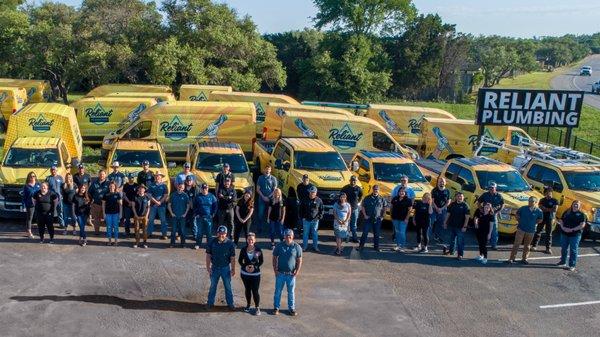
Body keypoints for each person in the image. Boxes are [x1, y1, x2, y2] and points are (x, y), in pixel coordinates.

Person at [272, 229, 302, 316]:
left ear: (292, 237)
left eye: (290, 236)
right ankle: (276, 308)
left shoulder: (297, 247)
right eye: (286, 236)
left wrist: (297, 271)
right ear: (284, 237)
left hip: (291, 275)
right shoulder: (279, 246)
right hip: (280, 274)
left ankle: (291, 308)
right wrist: (275, 270)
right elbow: (274, 257)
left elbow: (299, 260)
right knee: (278, 291)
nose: (288, 238)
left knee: (291, 292)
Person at [206, 225, 236, 310]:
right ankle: (210, 303)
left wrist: (233, 269)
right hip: (214, 268)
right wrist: (208, 267)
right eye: (219, 233)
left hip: (225, 269)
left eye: (223, 234)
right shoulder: (212, 242)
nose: (221, 235)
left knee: (228, 287)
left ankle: (230, 304)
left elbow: (232, 258)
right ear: (217, 233)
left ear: (226, 234)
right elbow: (208, 255)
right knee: (212, 286)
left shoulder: (230, 244)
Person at [507, 196, 543, 264]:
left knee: (527, 245)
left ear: (535, 202)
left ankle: (524, 258)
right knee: (516, 244)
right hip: (521, 229)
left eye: (531, 201)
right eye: (529, 201)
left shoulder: (539, 211)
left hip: (531, 230)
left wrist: (534, 223)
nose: (529, 202)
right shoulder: (523, 208)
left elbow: (540, 219)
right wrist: (520, 221)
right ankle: (511, 258)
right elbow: (517, 214)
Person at [557, 200, 587, 271]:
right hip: (564, 233)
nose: (575, 205)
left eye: (577, 204)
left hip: (575, 235)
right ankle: (562, 262)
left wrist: (572, 230)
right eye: (574, 204)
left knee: (573, 250)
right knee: (564, 248)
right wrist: (563, 227)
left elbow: (582, 225)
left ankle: (572, 265)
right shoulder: (567, 212)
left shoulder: (582, 214)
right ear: (572, 204)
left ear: (580, 206)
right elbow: (561, 220)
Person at [238, 233, 263, 315]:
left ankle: (257, 307)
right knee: (247, 290)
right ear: (246, 240)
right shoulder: (243, 249)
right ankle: (248, 305)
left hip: (255, 275)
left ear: (254, 240)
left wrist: (255, 267)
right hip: (245, 274)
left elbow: (261, 261)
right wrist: (245, 266)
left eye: (252, 239)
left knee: (255, 290)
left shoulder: (258, 250)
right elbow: (240, 261)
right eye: (249, 239)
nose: (250, 241)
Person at [358, 185, 387, 252]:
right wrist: (365, 215)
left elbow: (385, 207)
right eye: (374, 189)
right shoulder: (367, 198)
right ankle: (361, 246)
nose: (375, 190)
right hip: (368, 219)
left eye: (377, 189)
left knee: (376, 234)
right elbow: (363, 207)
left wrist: (382, 216)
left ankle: (376, 247)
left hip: (377, 219)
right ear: (372, 190)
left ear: (378, 190)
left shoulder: (382, 198)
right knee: (365, 233)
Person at [477, 182, 504, 250]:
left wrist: (498, 211)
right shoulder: (485, 194)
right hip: (485, 214)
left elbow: (502, 204)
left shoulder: (499, 196)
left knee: (494, 230)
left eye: (492, 188)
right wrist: (481, 210)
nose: (491, 189)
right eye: (490, 187)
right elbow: (479, 202)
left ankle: (493, 244)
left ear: (495, 188)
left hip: (493, 214)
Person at [443, 192, 470, 260]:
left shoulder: (465, 205)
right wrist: (445, 222)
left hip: (460, 227)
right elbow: (448, 214)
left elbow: (467, 217)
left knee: (460, 242)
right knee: (452, 240)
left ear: (463, 197)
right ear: (456, 197)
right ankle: (451, 251)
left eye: (461, 196)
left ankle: (460, 255)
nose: (459, 197)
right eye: (458, 196)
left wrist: (465, 226)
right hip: (452, 225)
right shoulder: (452, 204)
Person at [532, 187, 558, 254]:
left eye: (550, 192)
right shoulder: (542, 200)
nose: (548, 193)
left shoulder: (555, 200)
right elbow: (540, 207)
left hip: (550, 218)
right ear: (545, 193)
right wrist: (549, 209)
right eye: (547, 192)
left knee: (549, 233)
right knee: (538, 231)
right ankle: (534, 246)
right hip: (542, 217)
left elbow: (555, 209)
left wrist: (546, 209)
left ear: (552, 192)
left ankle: (548, 248)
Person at [193, 183, 218, 249]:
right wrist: (196, 214)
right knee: (199, 232)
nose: (204, 190)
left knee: (209, 232)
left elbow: (215, 206)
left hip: (208, 217)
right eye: (203, 188)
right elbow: (194, 206)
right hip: (200, 217)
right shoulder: (198, 196)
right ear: (201, 189)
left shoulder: (212, 196)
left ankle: (209, 245)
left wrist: (213, 214)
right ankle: (198, 244)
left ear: (208, 188)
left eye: (206, 188)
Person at [299, 186, 323, 252]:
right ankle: (304, 247)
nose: (312, 194)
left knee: (314, 234)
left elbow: (321, 210)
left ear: (316, 193)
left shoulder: (319, 200)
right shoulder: (304, 199)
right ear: (309, 192)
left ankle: (315, 247)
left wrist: (319, 217)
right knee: (305, 234)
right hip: (306, 220)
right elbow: (301, 209)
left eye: (313, 192)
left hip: (315, 221)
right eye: (311, 192)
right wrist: (302, 218)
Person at [341, 176, 363, 243]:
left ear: (356, 181)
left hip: (354, 209)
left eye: (354, 181)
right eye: (352, 180)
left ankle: (354, 238)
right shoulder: (345, 188)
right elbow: (341, 196)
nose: (353, 182)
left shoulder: (358, 188)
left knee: (354, 224)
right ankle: (345, 237)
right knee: (346, 224)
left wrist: (358, 202)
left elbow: (361, 196)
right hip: (346, 209)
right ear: (349, 180)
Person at [256, 166, 277, 233]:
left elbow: (275, 190)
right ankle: (260, 228)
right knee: (260, 214)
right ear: (264, 170)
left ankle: (271, 229)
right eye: (266, 169)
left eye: (269, 169)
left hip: (271, 199)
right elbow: (258, 189)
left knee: (271, 214)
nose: (267, 170)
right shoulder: (260, 178)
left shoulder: (273, 178)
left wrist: (269, 197)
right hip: (262, 198)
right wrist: (263, 197)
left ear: (270, 170)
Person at [168, 182, 190, 248]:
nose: (181, 189)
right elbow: (169, 205)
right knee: (173, 230)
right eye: (180, 187)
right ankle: (172, 243)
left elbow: (188, 205)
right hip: (174, 216)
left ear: (184, 188)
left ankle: (183, 244)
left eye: (182, 188)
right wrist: (171, 213)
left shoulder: (185, 195)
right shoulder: (173, 195)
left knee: (182, 230)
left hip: (182, 216)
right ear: (177, 187)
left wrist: (185, 214)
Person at [148, 173, 168, 239]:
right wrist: (156, 202)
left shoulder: (164, 186)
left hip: (162, 205)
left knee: (163, 220)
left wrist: (160, 202)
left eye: (159, 176)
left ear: (161, 177)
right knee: (151, 220)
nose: (157, 177)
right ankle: (149, 233)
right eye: (156, 176)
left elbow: (165, 195)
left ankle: (164, 234)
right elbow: (150, 196)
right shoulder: (151, 185)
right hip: (153, 205)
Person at [89, 170, 109, 235]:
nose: (101, 175)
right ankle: (96, 232)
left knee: (107, 219)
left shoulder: (108, 183)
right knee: (96, 219)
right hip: (97, 204)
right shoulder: (94, 183)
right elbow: (89, 192)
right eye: (100, 174)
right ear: (98, 175)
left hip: (107, 205)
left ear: (105, 175)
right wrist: (91, 200)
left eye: (103, 174)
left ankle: (108, 232)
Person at [102, 181, 123, 246]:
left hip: (116, 214)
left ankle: (116, 241)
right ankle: (109, 241)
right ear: (109, 187)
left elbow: (120, 205)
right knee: (109, 227)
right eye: (110, 186)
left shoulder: (117, 194)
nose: (112, 187)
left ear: (115, 187)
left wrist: (121, 213)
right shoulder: (106, 194)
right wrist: (104, 214)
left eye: (113, 186)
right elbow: (103, 204)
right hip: (108, 214)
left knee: (116, 227)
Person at [431, 178, 451, 243]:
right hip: (434, 208)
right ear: (438, 183)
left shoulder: (447, 191)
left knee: (441, 223)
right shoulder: (434, 190)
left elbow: (448, 201)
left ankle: (438, 237)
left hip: (443, 209)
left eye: (442, 182)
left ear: (445, 183)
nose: (441, 183)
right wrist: (437, 208)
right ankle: (426, 237)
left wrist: (441, 209)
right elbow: (432, 201)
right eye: (440, 182)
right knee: (431, 221)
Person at [22, 172, 40, 239]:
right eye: (31, 176)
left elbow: (43, 192)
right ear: (28, 177)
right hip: (30, 205)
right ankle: (29, 232)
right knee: (30, 218)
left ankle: (40, 231)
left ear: (35, 177)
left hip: (38, 204)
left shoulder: (38, 185)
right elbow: (24, 197)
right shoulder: (26, 186)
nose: (32, 177)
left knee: (39, 218)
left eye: (34, 176)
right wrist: (23, 205)